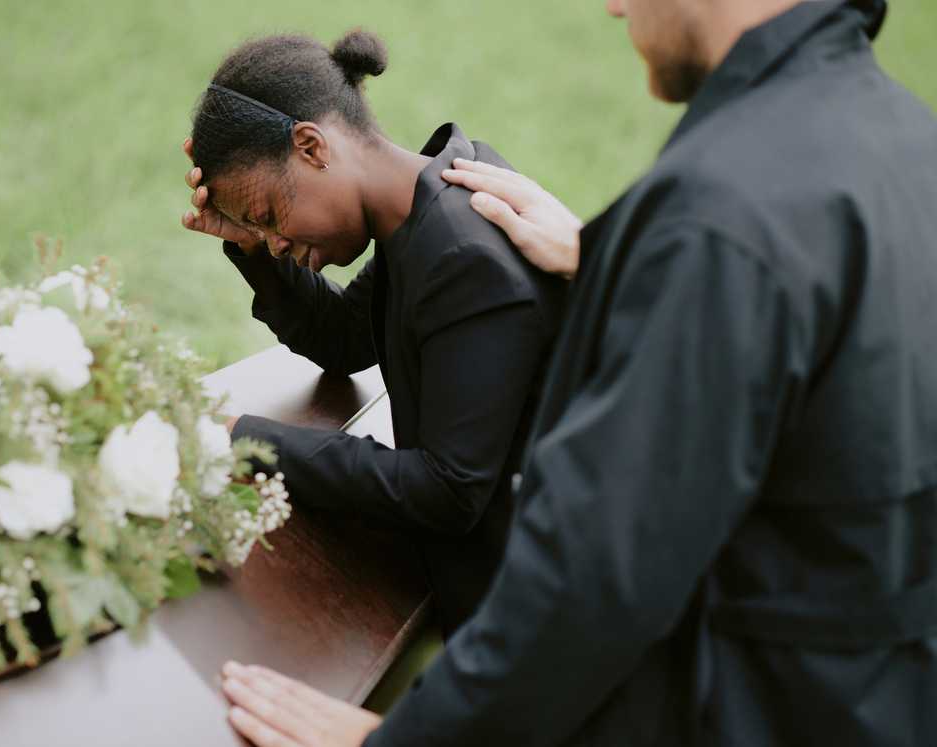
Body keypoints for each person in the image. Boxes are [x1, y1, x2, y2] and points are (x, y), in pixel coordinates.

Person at [218, 0, 937, 745]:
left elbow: (598, 577)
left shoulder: (723, 216)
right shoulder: (902, 136)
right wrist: (613, 265)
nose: (615, 5)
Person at [180, 31, 564, 636]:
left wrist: (243, 439)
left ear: (311, 147)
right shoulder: (423, 204)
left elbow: (448, 491)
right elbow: (343, 339)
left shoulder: (463, 254)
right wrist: (251, 249)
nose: (276, 242)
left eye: (270, 216)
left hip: (526, 621)